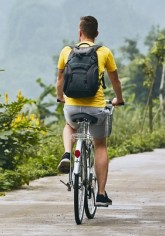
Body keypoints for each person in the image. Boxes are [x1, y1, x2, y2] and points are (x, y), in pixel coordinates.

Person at [56, 15, 124, 207]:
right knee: (100, 145)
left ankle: (68, 153)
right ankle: (101, 194)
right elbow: (115, 81)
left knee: (69, 126)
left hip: (72, 107)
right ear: (96, 34)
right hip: (96, 109)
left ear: (80, 33)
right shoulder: (104, 52)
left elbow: (60, 80)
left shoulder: (66, 51)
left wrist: (61, 97)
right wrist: (118, 99)